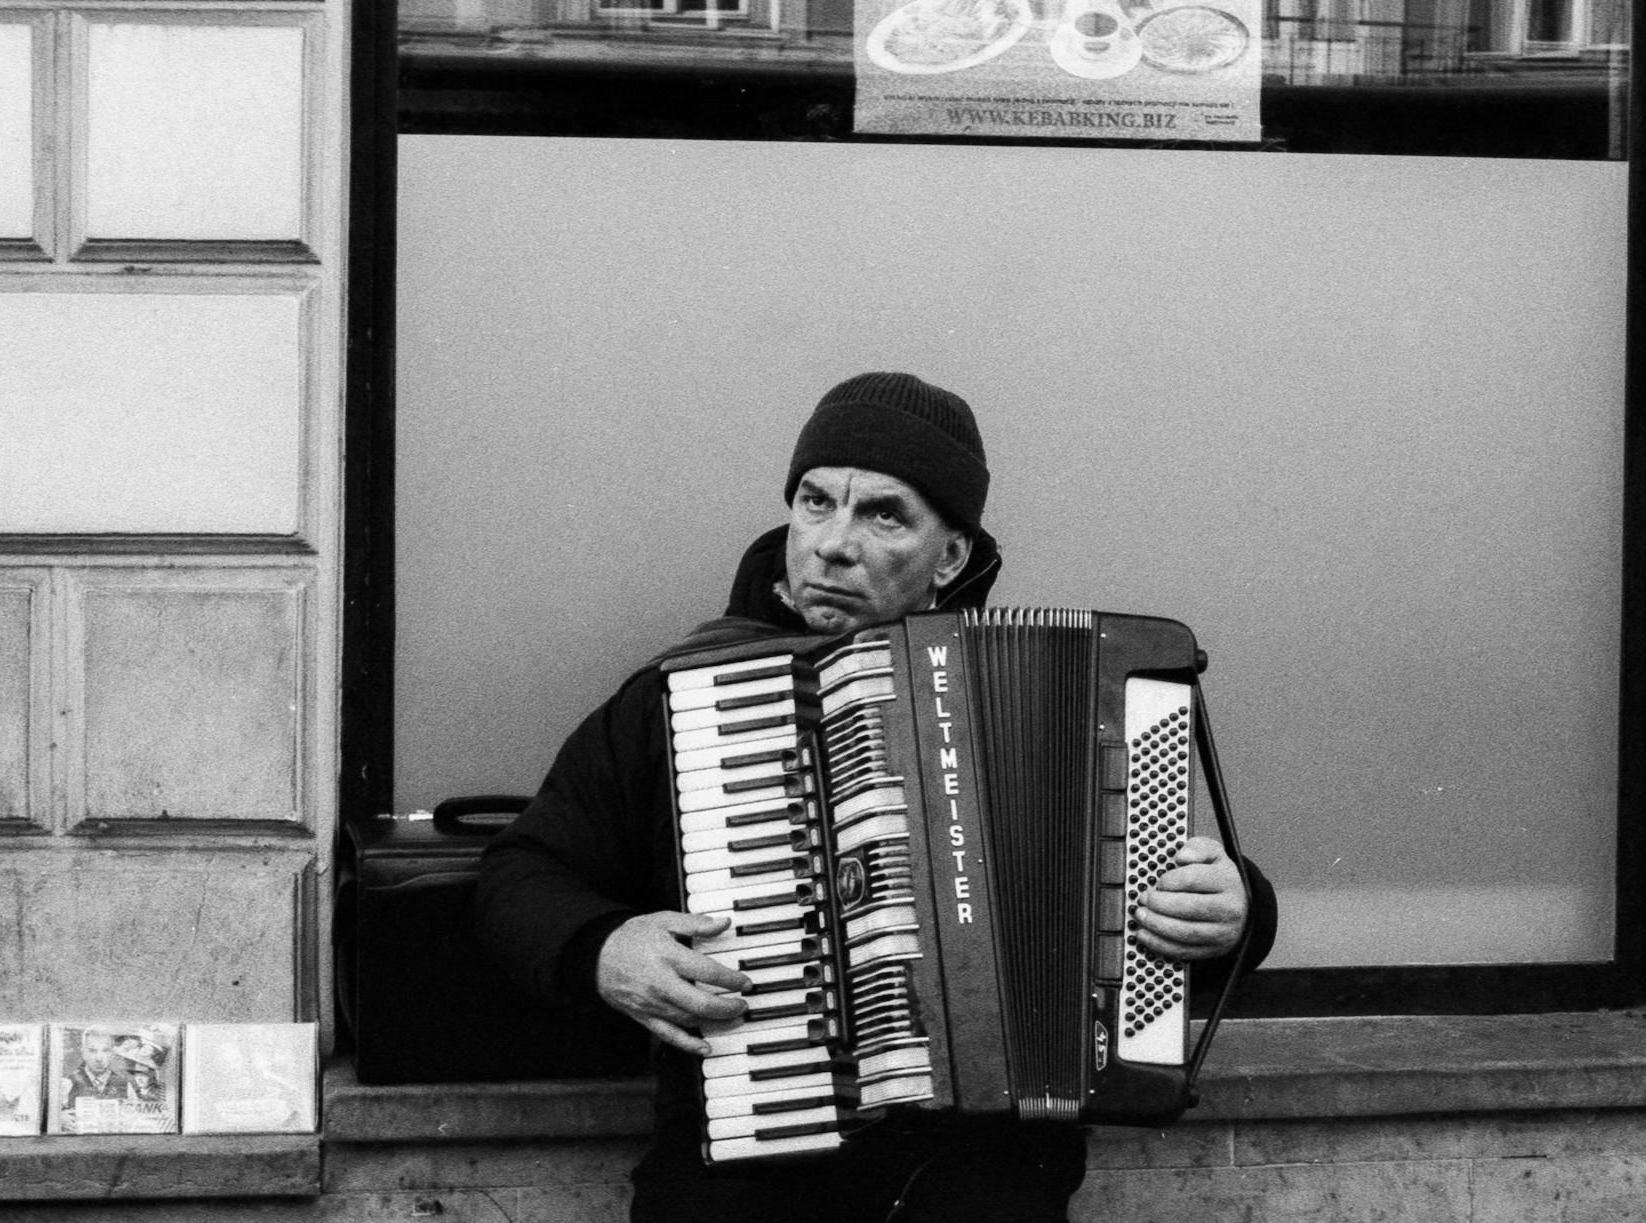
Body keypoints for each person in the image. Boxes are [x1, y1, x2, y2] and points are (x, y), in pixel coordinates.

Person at [476, 372, 1278, 1222]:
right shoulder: (684, 695)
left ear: (953, 555)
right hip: (750, 1173)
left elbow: (1152, 896)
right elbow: (520, 872)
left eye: (883, 514)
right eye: (816, 503)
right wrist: (605, 949)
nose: (832, 543)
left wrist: (1237, 912)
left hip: (979, 1168)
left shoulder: (1059, 699)